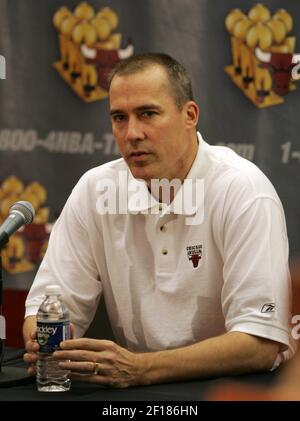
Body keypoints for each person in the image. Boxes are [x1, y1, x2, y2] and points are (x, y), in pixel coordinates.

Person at [23, 53, 296, 388]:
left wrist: (141, 368)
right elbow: (48, 306)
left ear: (189, 115)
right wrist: (44, 340)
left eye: (147, 114)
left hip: (232, 386)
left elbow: (261, 343)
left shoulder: (242, 190)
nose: (132, 133)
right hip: (136, 384)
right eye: (119, 118)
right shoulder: (97, 189)